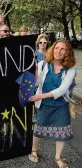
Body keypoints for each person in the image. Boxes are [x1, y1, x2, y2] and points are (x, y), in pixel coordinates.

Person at [29, 40, 76, 168]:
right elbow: (37, 83)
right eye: (56, 48)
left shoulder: (70, 69)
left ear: (68, 52)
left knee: (62, 130)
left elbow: (62, 90)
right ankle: (34, 150)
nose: (58, 51)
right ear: (52, 49)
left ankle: (58, 157)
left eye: (62, 49)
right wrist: (35, 72)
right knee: (39, 128)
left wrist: (41, 95)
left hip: (60, 105)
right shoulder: (43, 64)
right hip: (44, 104)